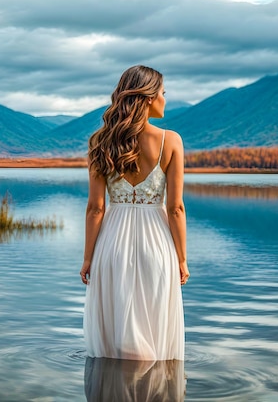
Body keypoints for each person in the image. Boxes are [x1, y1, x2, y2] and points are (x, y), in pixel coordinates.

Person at [80, 65, 189, 362]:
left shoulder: (100, 142)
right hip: (157, 242)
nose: (165, 99)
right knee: (152, 323)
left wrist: (88, 257)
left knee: (117, 329)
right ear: (149, 97)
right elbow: (176, 208)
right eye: (163, 93)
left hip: (112, 242)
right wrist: (181, 258)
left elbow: (95, 208)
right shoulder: (172, 141)